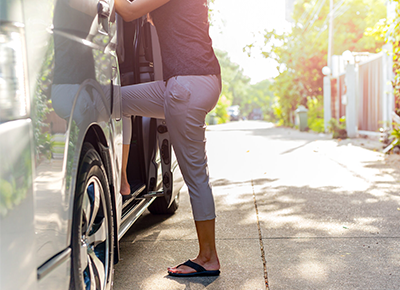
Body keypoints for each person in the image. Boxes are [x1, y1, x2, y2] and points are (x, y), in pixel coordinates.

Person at [115, 0, 222, 277]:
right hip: (191, 82)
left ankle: (208, 257)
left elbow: (127, 12)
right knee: (114, 101)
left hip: (186, 85)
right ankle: (123, 179)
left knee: (197, 177)